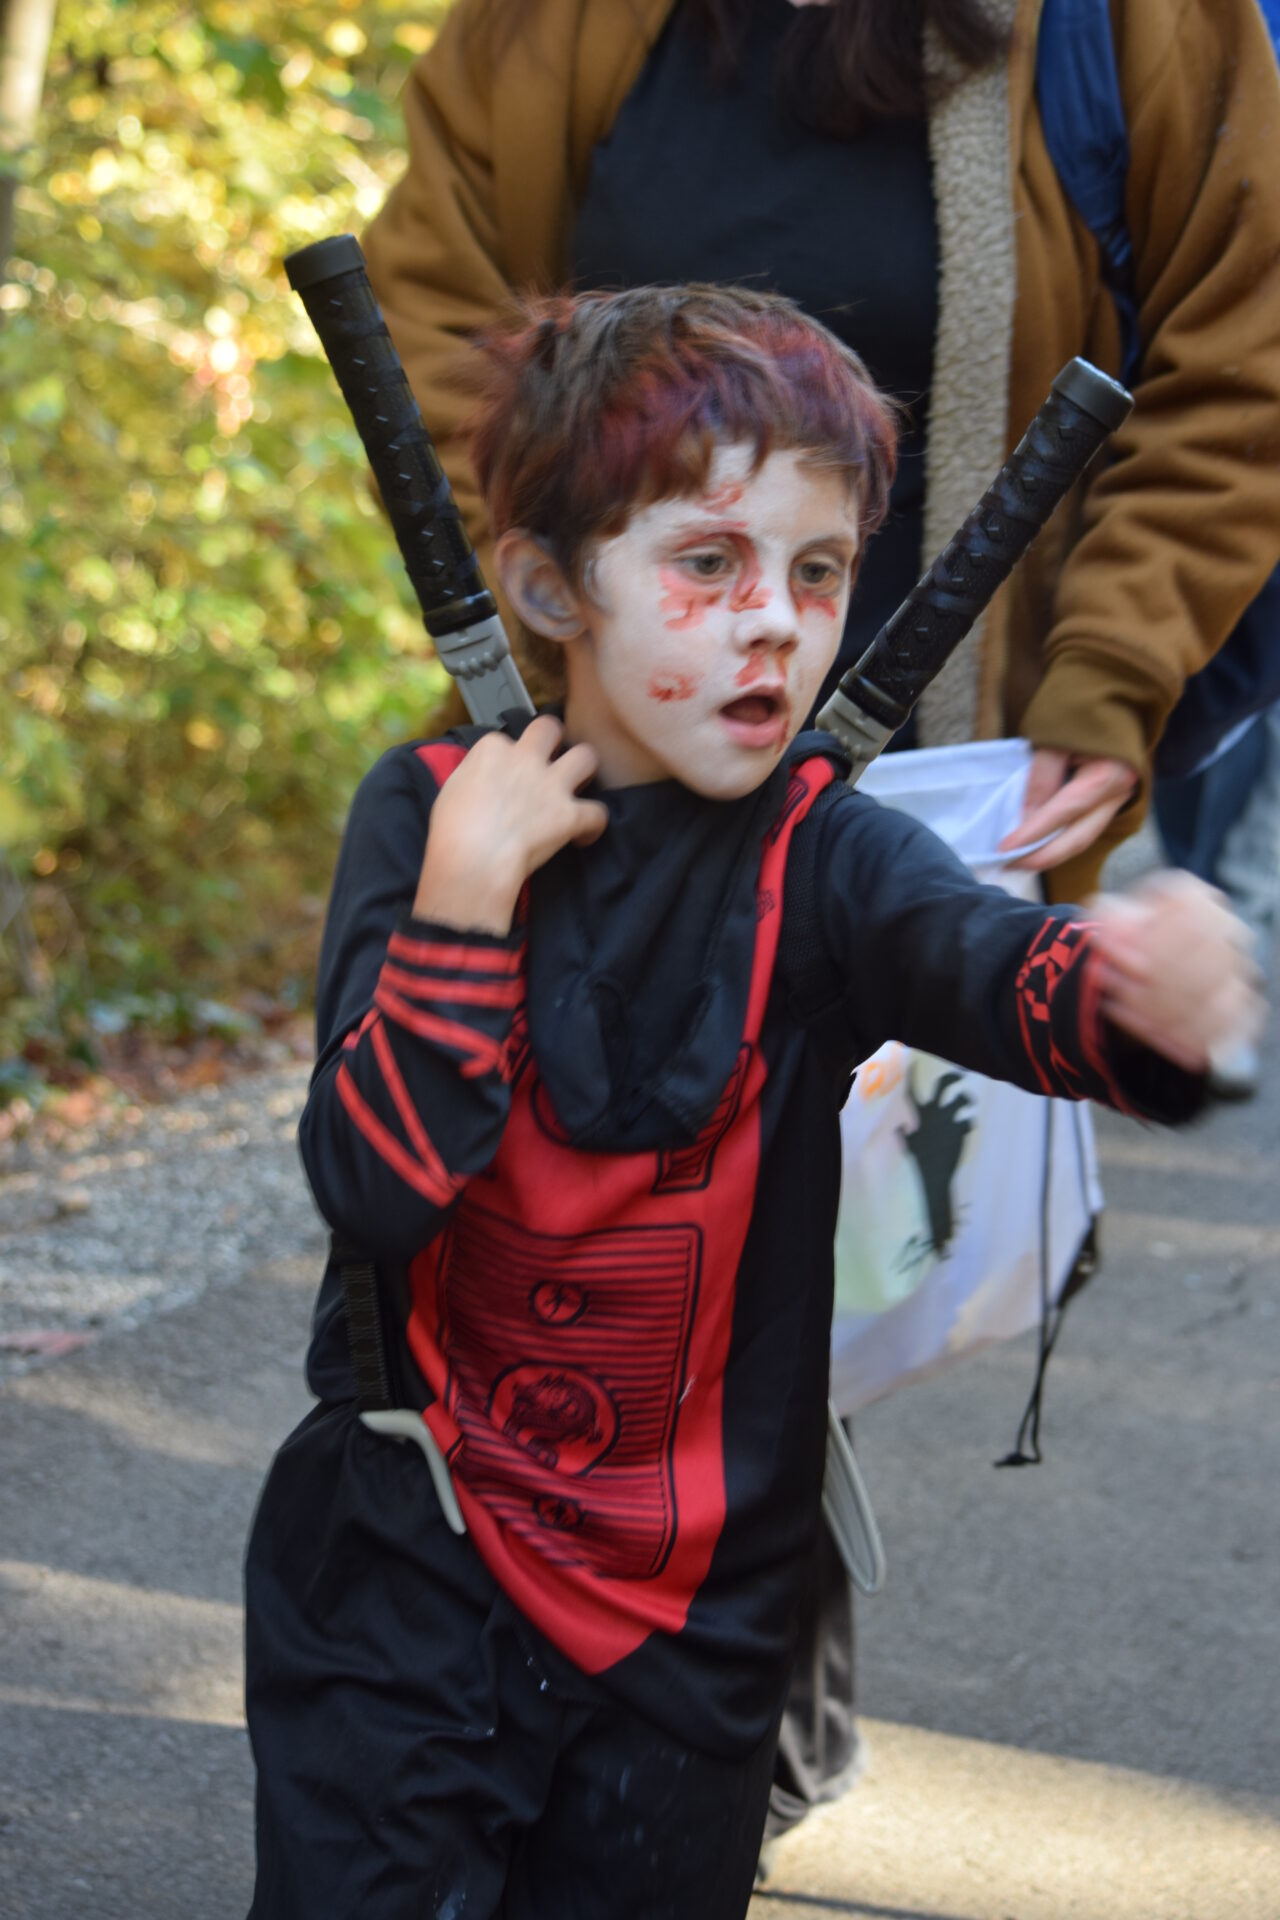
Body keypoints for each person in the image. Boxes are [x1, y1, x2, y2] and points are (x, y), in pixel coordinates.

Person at [359, 0, 1280, 1853]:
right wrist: (557, 649)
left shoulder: (1139, 28)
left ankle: (724, 1624)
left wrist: (1121, 730)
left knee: (813, 1205)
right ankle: (523, 1643)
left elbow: (1240, 357)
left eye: (800, 573)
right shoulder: (560, 23)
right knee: (572, 1180)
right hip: (592, 754)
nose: (769, 607)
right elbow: (435, 297)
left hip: (939, 761)